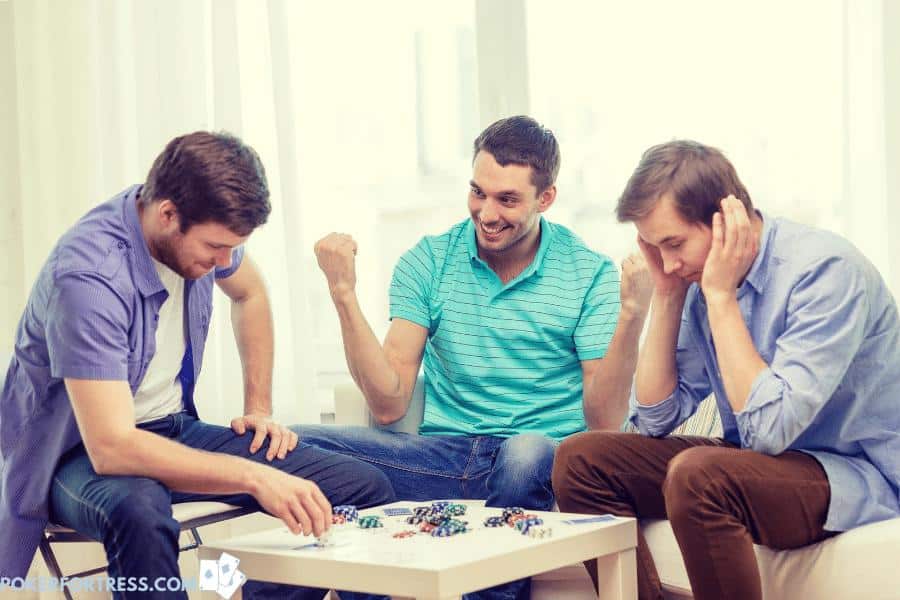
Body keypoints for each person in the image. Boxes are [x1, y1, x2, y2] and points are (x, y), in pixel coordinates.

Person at [0, 131, 395, 600]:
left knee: (360, 486)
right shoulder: (89, 278)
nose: (224, 262)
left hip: (169, 429)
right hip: (74, 455)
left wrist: (260, 407)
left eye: (233, 247)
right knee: (141, 512)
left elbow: (250, 293)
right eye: (215, 248)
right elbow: (111, 448)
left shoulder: (196, 229)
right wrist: (254, 475)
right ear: (168, 215)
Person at [300, 115, 652, 600]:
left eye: (507, 199)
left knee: (525, 451)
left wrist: (631, 315)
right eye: (477, 192)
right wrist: (343, 293)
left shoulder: (587, 274)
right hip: (448, 457)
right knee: (294, 444)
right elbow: (388, 406)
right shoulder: (428, 260)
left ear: (545, 198)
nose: (487, 213)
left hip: (540, 462)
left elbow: (606, 421)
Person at [551, 140, 900, 600]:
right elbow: (655, 419)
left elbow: (769, 430)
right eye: (656, 249)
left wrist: (720, 297)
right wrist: (669, 295)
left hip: (851, 473)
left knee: (699, 476)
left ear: (723, 219)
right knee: (581, 460)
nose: (670, 263)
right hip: (760, 466)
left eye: (674, 244)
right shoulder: (691, 282)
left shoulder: (826, 271)